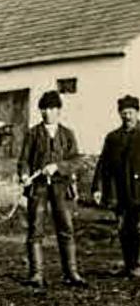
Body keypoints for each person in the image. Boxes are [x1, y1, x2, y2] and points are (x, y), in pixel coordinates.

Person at [17, 90, 86, 288]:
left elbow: (76, 160)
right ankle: (36, 274)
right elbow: (24, 160)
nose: (47, 112)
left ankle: (71, 273)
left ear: (59, 111)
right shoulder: (32, 133)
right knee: (35, 230)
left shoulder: (67, 134)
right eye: (44, 109)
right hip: (37, 189)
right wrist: (24, 175)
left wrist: (58, 167)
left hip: (61, 188)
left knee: (66, 229)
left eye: (52, 108)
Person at [91, 94, 140, 277]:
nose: (127, 116)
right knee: (124, 229)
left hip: (139, 190)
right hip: (121, 191)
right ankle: (130, 265)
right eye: (124, 113)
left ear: (137, 112)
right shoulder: (113, 137)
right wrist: (97, 187)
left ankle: (137, 264)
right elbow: (103, 164)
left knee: (138, 228)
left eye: (131, 112)